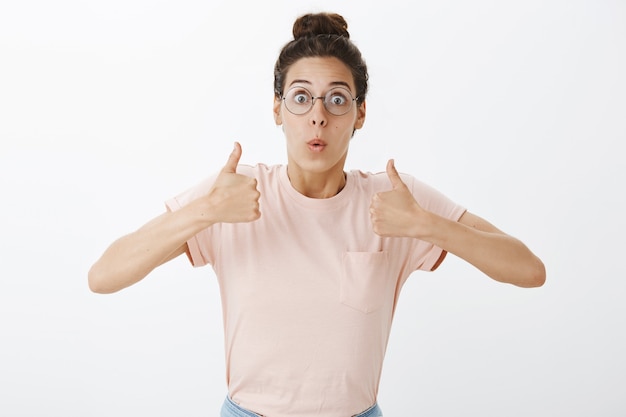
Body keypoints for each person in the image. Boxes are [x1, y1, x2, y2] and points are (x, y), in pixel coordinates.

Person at [88, 11, 546, 417]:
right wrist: (205, 212)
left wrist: (427, 225)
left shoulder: (395, 199)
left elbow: (529, 269)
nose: (318, 117)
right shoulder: (235, 192)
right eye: (301, 97)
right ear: (277, 108)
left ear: (360, 114)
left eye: (338, 99)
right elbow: (104, 275)